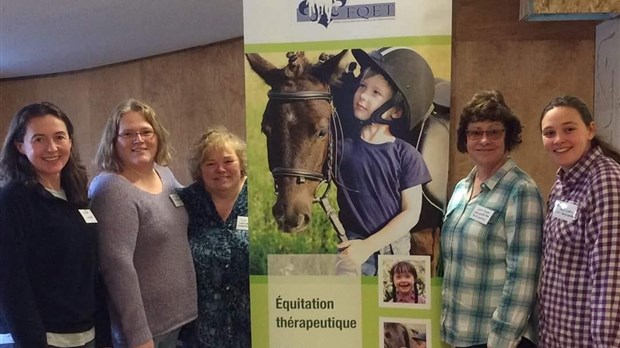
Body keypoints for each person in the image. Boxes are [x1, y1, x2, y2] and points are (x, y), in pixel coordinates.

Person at [0, 102, 110, 347]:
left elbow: (90, 270)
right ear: (20, 146)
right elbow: (10, 283)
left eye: (59, 137)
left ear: (70, 142)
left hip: (85, 334)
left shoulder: (76, 196)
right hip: (39, 339)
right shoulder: (12, 200)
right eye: (38, 139)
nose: (51, 148)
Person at [89, 99, 197, 348]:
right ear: (113, 142)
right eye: (128, 134)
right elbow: (117, 267)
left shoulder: (164, 174)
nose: (139, 139)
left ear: (157, 136)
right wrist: (139, 335)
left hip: (181, 320)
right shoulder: (112, 189)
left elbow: (196, 205)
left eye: (146, 131)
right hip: (146, 332)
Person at [441, 91, 543, 348]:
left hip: (496, 339)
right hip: (460, 333)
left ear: (507, 135)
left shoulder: (520, 190)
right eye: (475, 132)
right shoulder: (461, 189)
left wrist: (500, 341)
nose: (484, 139)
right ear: (465, 138)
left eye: (494, 132)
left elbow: (523, 278)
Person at [336, 47, 434, 276]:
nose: (363, 96)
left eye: (375, 93)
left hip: (395, 252)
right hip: (351, 248)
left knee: (398, 307)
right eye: (362, 86)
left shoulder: (406, 155)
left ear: (396, 111)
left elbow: (411, 213)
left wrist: (368, 247)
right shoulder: (343, 147)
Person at [538, 95, 620, 347]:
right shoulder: (563, 183)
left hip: (585, 340)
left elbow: (610, 278)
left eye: (569, 129)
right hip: (557, 335)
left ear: (591, 130)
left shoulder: (606, 182)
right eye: (549, 132)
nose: (558, 139)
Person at [177, 127, 249, 348]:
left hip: (254, 330)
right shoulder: (186, 202)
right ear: (200, 170)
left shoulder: (262, 200)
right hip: (200, 334)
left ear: (242, 163)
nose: (220, 169)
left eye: (228, 161)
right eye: (210, 164)